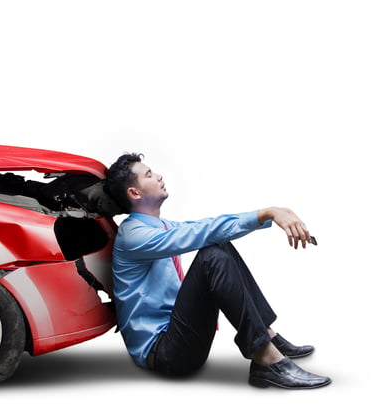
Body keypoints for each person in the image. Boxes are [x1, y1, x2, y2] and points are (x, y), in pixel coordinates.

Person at [103, 152, 331, 389]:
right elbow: (199, 234)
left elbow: (204, 228)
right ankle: (266, 359)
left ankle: (267, 337)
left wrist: (269, 216)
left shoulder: (161, 227)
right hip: (164, 354)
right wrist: (267, 212)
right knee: (212, 253)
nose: (159, 176)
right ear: (135, 193)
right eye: (149, 174)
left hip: (178, 337)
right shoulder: (133, 235)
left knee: (217, 244)